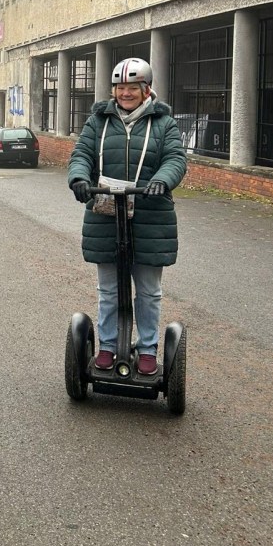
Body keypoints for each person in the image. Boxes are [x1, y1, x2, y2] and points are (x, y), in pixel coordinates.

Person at [67, 58, 186, 376]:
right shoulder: (98, 121)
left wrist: (163, 179)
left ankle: (147, 349)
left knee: (148, 290)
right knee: (108, 289)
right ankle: (107, 347)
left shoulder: (164, 124)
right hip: (105, 214)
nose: (125, 93)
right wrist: (79, 178)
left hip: (151, 217)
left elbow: (175, 157)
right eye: (120, 87)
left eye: (132, 87)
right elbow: (82, 153)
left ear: (146, 90)